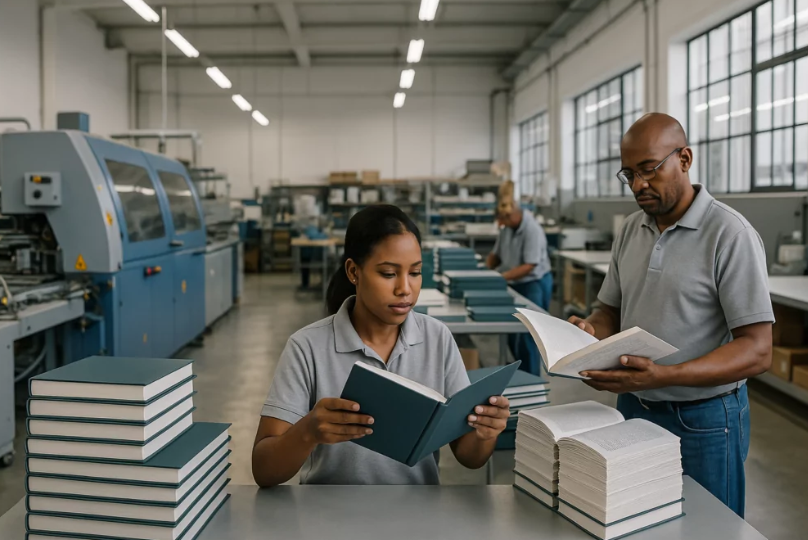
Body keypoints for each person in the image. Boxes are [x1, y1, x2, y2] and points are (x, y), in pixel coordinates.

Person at [568, 113, 773, 517]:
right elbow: (610, 308)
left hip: (706, 420)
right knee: (638, 521)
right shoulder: (630, 229)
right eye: (628, 174)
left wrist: (664, 375)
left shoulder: (730, 234)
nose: (638, 185)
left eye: (649, 170)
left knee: (710, 527)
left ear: (684, 159)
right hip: (633, 408)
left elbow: (757, 350)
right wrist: (590, 332)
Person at [252, 205, 511, 486]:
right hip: (328, 518)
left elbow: (470, 457)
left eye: (415, 272)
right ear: (354, 271)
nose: (405, 289)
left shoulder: (438, 339)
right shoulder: (307, 347)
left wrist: (486, 433)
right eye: (388, 274)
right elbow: (264, 471)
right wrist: (308, 432)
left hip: (416, 516)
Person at [486, 183, 553, 375]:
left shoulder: (531, 229)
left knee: (528, 335)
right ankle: (518, 376)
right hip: (513, 282)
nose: (502, 224)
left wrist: (500, 277)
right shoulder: (507, 228)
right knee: (511, 333)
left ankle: (531, 381)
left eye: (503, 220)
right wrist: (485, 269)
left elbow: (529, 265)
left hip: (533, 284)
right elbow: (496, 255)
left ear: (513, 214)